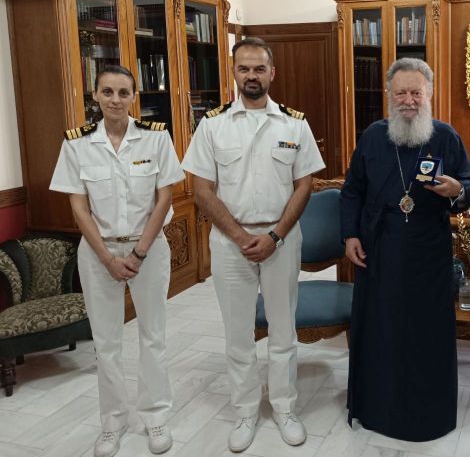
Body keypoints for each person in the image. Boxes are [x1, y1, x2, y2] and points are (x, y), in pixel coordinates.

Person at [181, 38, 324, 452]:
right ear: (234, 72)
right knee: (238, 334)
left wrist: (275, 235)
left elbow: (305, 184)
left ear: (271, 73)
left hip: (282, 239)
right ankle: (245, 411)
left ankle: (285, 408)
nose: (251, 76)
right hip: (231, 244)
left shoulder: (294, 124)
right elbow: (201, 190)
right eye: (244, 68)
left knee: (283, 330)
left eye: (259, 68)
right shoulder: (212, 125)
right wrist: (242, 237)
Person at [341, 57, 470, 441]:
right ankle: (378, 409)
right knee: (381, 329)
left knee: (425, 334)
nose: (408, 101)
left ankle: (426, 414)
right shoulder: (372, 137)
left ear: (428, 93)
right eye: (400, 93)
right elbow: (352, 191)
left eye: (416, 93)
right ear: (389, 94)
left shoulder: (445, 136)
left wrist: (457, 190)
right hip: (378, 249)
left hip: (428, 251)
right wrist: (350, 235)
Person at [50, 65, 184, 457]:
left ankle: (155, 415)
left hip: (149, 249)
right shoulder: (77, 144)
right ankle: (113, 422)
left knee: (153, 336)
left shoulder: (156, 138)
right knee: (106, 342)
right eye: (107, 91)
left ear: (133, 97)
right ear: (95, 95)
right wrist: (108, 257)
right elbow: (79, 208)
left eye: (123, 92)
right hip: (98, 252)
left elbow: (164, 198)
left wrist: (138, 252)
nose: (115, 99)